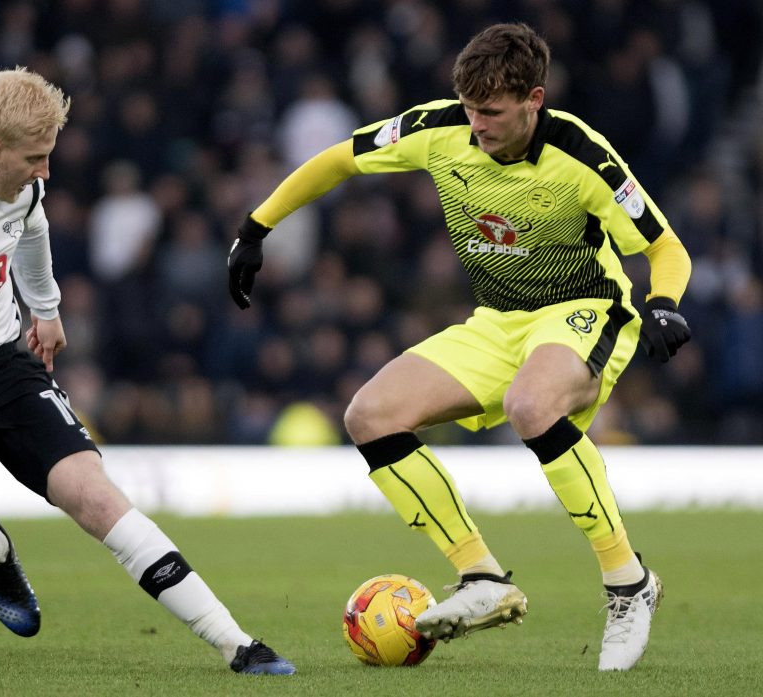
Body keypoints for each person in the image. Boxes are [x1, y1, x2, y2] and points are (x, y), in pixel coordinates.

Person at [228, 23, 691, 672]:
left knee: (532, 404)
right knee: (369, 415)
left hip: (585, 309)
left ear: (535, 99)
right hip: (499, 320)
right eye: (471, 109)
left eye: (493, 112)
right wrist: (256, 226)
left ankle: (627, 582)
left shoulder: (584, 156)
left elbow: (665, 245)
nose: (478, 125)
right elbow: (339, 159)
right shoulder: (438, 128)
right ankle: (481, 577)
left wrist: (665, 300)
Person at [0, 67, 294, 676]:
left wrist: (47, 308)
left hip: (3, 366)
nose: (46, 172)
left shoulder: (22, 189)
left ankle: (237, 643)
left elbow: (33, 233)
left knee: (95, 498)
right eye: (35, 158)